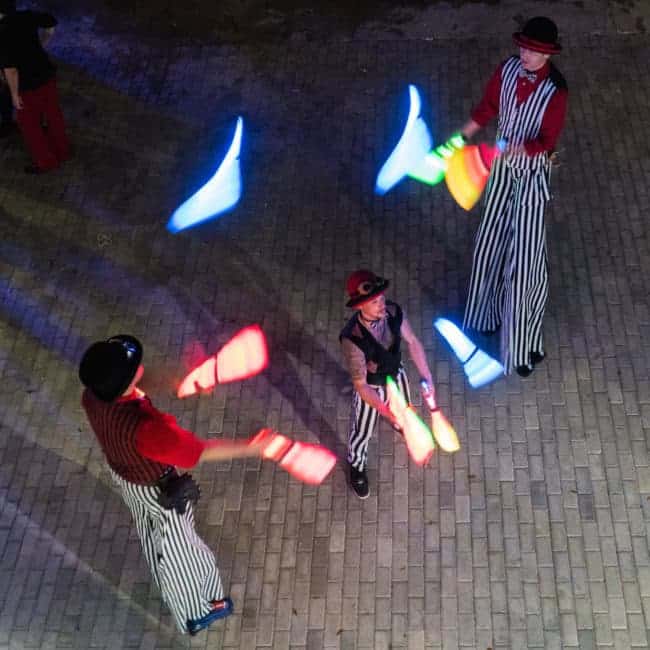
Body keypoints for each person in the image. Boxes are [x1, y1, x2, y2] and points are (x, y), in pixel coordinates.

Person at [79, 335, 264, 635]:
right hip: (159, 492)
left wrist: (186, 380)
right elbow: (198, 451)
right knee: (183, 555)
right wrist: (254, 447)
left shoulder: (93, 396)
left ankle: (184, 594)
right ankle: (197, 612)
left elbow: (139, 382)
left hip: (127, 477)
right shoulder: (148, 431)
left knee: (152, 536)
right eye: (133, 366)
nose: (140, 365)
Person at [459, 16, 568, 377]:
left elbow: (545, 143)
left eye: (533, 51)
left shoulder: (556, 90)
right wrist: (462, 137)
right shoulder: (507, 68)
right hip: (503, 168)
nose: (525, 54)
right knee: (489, 238)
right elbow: (489, 106)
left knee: (525, 260)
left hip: (531, 175)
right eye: (523, 47)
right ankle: (483, 316)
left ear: (547, 54)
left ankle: (520, 348)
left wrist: (513, 149)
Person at [340, 270, 435, 498]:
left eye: (381, 297)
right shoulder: (352, 339)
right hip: (372, 386)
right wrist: (385, 411)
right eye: (374, 301)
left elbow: (412, 341)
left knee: (406, 412)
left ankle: (401, 423)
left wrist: (427, 375)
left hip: (395, 374)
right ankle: (357, 465)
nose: (382, 304)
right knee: (363, 431)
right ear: (359, 306)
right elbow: (361, 386)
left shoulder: (392, 311)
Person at [0, 0, 70, 173]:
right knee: (53, 114)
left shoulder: (1, 33)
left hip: (27, 85)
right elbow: (51, 22)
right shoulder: (26, 16)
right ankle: (63, 151)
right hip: (46, 74)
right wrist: (42, 43)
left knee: (29, 126)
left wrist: (15, 95)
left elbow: (11, 70)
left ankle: (46, 161)